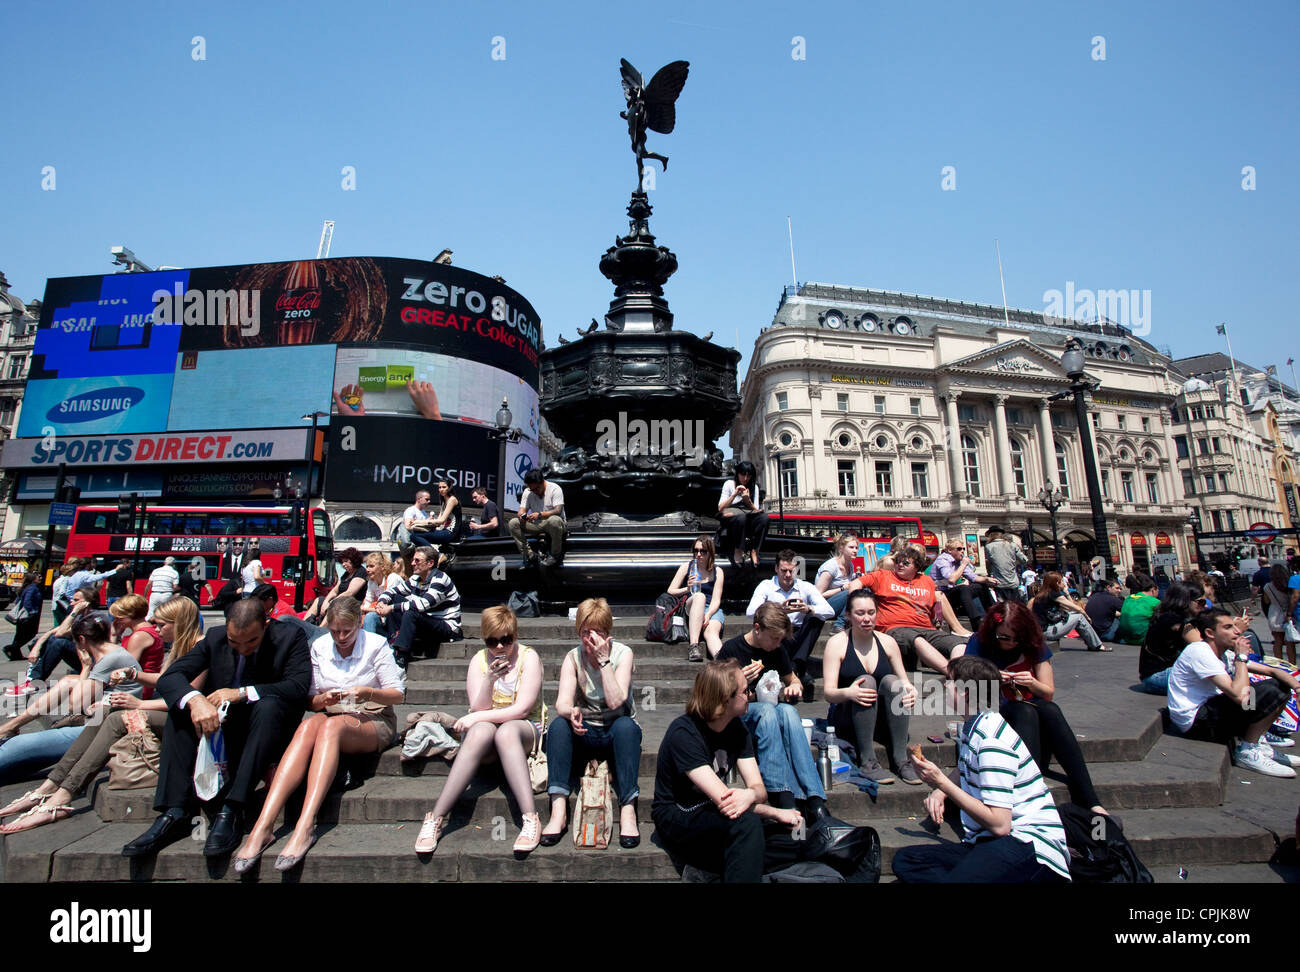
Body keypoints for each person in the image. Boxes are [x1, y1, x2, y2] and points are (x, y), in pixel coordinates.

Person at [120, 598, 311, 858]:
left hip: (267, 725)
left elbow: (297, 687)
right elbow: (171, 677)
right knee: (181, 709)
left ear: (266, 625)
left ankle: (232, 808)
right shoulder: (215, 637)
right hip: (221, 722)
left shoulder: (290, 636)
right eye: (235, 642)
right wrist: (196, 700)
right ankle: (175, 810)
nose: (242, 649)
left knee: (269, 707)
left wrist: (242, 693)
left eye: (251, 641)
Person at [0, 597, 203, 833]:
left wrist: (138, 704)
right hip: (163, 711)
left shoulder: (199, 648)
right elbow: (167, 681)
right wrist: (132, 674)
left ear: (178, 623)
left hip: (185, 721)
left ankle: (60, 797)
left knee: (115, 717)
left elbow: (186, 699)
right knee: (107, 711)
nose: (156, 630)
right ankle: (49, 787)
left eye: (161, 625)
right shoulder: (181, 646)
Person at [233, 596, 405, 872]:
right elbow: (310, 701)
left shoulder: (375, 645)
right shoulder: (320, 646)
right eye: (335, 631)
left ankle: (306, 823)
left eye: (346, 631)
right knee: (308, 725)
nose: (340, 637)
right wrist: (322, 699)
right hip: (332, 716)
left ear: (359, 624)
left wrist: (366, 692)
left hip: (373, 718)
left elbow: (397, 695)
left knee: (330, 727)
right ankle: (263, 824)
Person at [892, 654, 1071, 883]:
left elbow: (1000, 824)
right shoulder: (974, 726)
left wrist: (941, 782)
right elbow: (965, 764)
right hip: (985, 843)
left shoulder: (991, 742)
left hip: (1029, 846)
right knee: (907, 860)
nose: (945, 686)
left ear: (965, 691)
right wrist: (940, 790)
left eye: (950, 681)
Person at [650, 660, 803, 883]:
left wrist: (750, 794)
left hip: (714, 813)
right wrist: (775, 813)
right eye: (745, 690)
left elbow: (759, 789)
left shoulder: (737, 728)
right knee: (747, 826)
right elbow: (726, 803)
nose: (751, 694)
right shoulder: (684, 734)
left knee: (796, 839)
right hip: (679, 814)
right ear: (725, 699)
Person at [414, 605, 545, 855]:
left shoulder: (529, 658)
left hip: (524, 728)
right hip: (487, 733)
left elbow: (521, 709)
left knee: (505, 731)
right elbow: (479, 706)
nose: (498, 647)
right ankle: (436, 817)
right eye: (492, 641)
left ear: (515, 636)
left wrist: (477, 717)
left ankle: (530, 818)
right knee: (481, 731)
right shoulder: (479, 660)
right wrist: (489, 680)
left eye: (505, 640)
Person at [965, 601, 1110, 816]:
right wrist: (992, 677)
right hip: (995, 712)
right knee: (1025, 711)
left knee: (1049, 709)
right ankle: (1027, 790)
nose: (1011, 643)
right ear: (993, 630)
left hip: (1031, 710)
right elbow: (964, 690)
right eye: (1004, 637)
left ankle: (1089, 798)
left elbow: (1047, 692)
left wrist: (1031, 682)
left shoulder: (1034, 644)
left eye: (1017, 638)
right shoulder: (978, 643)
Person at [540, 598, 642, 848]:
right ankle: (558, 811)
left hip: (615, 730)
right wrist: (570, 711)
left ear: (608, 633)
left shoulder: (623, 654)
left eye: (598, 632)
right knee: (557, 726)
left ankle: (628, 810)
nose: (591, 638)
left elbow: (616, 700)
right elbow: (561, 701)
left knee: (627, 728)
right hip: (585, 730)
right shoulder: (572, 657)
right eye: (586, 632)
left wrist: (604, 660)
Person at [717, 602, 833, 810]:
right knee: (768, 710)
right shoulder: (732, 650)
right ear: (757, 628)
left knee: (788, 710)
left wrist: (794, 687)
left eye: (781, 639)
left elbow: (793, 679)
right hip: (739, 717)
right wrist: (738, 681)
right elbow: (713, 696)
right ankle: (780, 792)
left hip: (770, 715)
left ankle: (815, 798)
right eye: (774, 638)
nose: (778, 644)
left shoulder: (777, 651)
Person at [1166, 608, 1300, 778]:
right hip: (1195, 722)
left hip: (1211, 711)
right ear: (1210, 633)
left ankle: (1256, 742)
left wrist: (1297, 689)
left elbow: (1272, 671)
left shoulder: (1224, 654)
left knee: (1279, 686)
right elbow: (1240, 696)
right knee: (1266, 691)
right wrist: (1241, 658)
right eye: (1228, 627)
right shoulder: (1199, 651)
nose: (1237, 631)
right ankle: (1248, 751)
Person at [821, 590, 919, 783]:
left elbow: (905, 682)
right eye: (860, 613)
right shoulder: (837, 644)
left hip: (882, 718)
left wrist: (911, 691)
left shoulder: (888, 642)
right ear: (848, 615)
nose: (866, 618)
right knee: (866, 681)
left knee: (893, 683)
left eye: (871, 612)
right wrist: (849, 692)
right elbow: (829, 693)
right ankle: (867, 760)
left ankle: (901, 759)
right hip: (848, 716)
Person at [0, 613, 141, 743]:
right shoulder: (111, 649)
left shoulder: (107, 660)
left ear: (82, 639)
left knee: (25, 746)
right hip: (115, 700)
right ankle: (11, 726)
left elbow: (76, 706)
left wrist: (86, 667)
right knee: (67, 681)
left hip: (115, 712)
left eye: (75, 642)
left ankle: (11, 727)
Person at [860, 547, 971, 675]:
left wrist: (938, 622)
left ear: (916, 567)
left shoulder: (926, 581)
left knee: (958, 644)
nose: (900, 565)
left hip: (926, 628)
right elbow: (856, 583)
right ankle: (952, 672)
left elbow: (934, 606)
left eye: (905, 563)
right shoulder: (883, 575)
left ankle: (960, 672)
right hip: (896, 628)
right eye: (898, 562)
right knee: (917, 640)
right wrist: (859, 603)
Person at [745, 548, 834, 681]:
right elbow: (751, 612)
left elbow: (829, 611)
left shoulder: (805, 586)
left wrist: (808, 609)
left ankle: (796, 664)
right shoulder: (766, 585)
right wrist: (778, 609)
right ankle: (797, 666)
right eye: (784, 570)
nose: (787, 575)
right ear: (776, 569)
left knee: (816, 618)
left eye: (791, 571)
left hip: (798, 634)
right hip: (776, 633)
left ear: (797, 570)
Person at [374, 547, 463, 667]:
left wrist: (390, 608)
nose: (412, 563)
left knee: (411, 612)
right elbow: (393, 591)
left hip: (446, 627)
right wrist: (382, 602)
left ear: (430, 563)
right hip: (426, 621)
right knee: (395, 599)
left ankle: (401, 656)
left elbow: (423, 604)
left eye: (417, 561)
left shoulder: (440, 579)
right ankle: (393, 641)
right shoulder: (416, 579)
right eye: (413, 560)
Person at [1137, 581, 1209, 695]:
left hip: (1158, 674)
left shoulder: (1169, 615)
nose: (1205, 605)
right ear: (1186, 601)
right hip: (1156, 677)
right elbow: (1204, 649)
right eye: (1201, 602)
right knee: (1212, 675)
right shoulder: (1174, 620)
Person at [669, 535, 725, 662]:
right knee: (699, 596)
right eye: (696, 550)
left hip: (711, 608)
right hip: (692, 604)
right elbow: (671, 590)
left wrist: (709, 614)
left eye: (703, 551)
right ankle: (693, 646)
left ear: (710, 553)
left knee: (711, 633)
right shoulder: (686, 567)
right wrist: (687, 589)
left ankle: (723, 662)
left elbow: (716, 599)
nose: (699, 554)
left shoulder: (718, 571)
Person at [1030, 571, 1107, 651]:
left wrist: (1066, 592)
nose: (1064, 583)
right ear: (1057, 583)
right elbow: (1077, 608)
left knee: (1075, 615)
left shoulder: (1044, 595)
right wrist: (1087, 616)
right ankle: (1097, 645)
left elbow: (1070, 608)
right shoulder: (1053, 594)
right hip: (1048, 631)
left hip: (1043, 631)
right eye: (1062, 581)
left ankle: (1093, 643)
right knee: (1079, 616)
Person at [932, 536, 998, 625]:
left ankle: (994, 614)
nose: (962, 551)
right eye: (959, 549)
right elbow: (951, 579)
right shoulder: (943, 559)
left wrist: (986, 579)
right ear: (950, 550)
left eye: (963, 549)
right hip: (941, 592)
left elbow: (973, 577)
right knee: (963, 588)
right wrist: (963, 565)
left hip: (951, 589)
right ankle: (976, 621)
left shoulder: (959, 561)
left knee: (980, 586)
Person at [509, 468, 567, 568]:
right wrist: (524, 517)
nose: (534, 492)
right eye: (532, 489)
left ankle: (554, 555)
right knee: (513, 523)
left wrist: (539, 514)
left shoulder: (555, 488)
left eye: (536, 489)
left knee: (554, 520)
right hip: (538, 524)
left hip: (555, 524)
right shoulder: (528, 492)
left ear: (542, 482)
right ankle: (530, 555)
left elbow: (558, 511)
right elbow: (521, 512)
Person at [717, 460, 770, 569]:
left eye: (748, 476)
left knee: (764, 518)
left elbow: (756, 510)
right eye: (743, 475)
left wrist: (747, 500)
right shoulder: (729, 484)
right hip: (732, 517)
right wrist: (734, 494)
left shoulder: (754, 487)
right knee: (741, 518)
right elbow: (720, 507)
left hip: (747, 515)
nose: (745, 479)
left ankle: (755, 550)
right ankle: (738, 550)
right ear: (737, 474)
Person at [302, 547, 367, 623]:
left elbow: (349, 593)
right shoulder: (346, 574)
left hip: (350, 604)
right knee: (319, 600)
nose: (343, 564)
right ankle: (304, 625)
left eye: (346, 561)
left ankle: (321, 629)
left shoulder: (361, 572)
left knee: (335, 606)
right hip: (339, 601)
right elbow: (335, 591)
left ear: (354, 561)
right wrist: (326, 601)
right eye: (342, 562)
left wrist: (331, 602)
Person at [815, 534, 865, 632]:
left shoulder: (850, 565)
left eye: (856, 548)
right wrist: (842, 588)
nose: (855, 550)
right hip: (825, 606)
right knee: (852, 591)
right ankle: (839, 624)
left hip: (840, 606)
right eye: (851, 547)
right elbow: (818, 595)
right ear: (841, 548)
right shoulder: (830, 567)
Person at [983, 526, 1029, 603]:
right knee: (1015, 606)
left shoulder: (989, 547)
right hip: (1013, 582)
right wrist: (1014, 562)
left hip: (999, 583)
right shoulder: (1012, 545)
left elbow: (989, 564)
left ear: (990, 536)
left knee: (1003, 607)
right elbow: (1024, 560)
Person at [1261, 564, 1296, 664]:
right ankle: (1293, 664)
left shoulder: (1268, 586)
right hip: (1288, 614)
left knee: (1277, 641)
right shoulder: (1289, 585)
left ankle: (1278, 664)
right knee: (1290, 643)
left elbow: (1267, 601)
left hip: (1274, 614)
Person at [360, 551, 403, 634]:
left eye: (371, 566)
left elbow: (386, 607)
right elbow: (368, 601)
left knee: (370, 617)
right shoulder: (371, 582)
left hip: (396, 619)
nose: (367, 570)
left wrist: (365, 609)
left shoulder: (392, 578)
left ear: (382, 567)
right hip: (383, 617)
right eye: (367, 566)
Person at [4, 572, 43, 660]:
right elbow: (27, 601)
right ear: (32, 579)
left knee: (19, 635)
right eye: (38, 576)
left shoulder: (26, 587)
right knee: (30, 633)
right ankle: (10, 648)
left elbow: (18, 601)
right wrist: (31, 612)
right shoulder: (33, 588)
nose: (40, 578)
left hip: (21, 616)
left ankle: (15, 655)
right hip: (28, 615)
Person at [1114, 573, 1160, 645]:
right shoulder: (1155, 602)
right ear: (1153, 590)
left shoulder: (1129, 598)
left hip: (1126, 638)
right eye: (1158, 591)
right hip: (1143, 638)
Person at [422, 480, 464, 550]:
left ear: (449, 488)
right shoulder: (444, 502)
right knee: (416, 534)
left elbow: (441, 520)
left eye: (444, 487)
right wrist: (430, 521)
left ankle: (434, 554)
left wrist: (418, 522)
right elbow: (438, 523)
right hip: (445, 531)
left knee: (416, 536)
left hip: (451, 532)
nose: (441, 489)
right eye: (439, 487)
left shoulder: (452, 500)